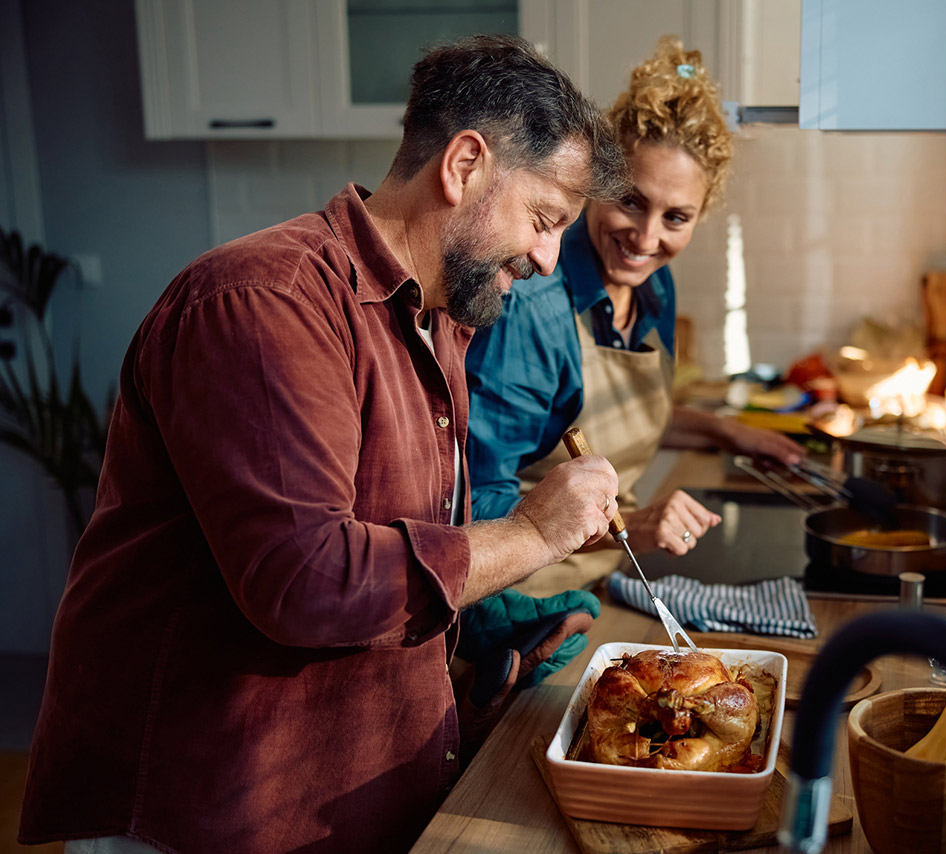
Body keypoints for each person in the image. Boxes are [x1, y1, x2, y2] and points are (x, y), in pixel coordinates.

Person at [19, 35, 629, 854]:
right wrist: (528, 535)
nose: (550, 256)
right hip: (207, 814)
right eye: (546, 219)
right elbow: (306, 581)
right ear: (465, 164)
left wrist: (477, 631)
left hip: (341, 799)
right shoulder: (262, 302)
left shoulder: (435, 319)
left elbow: (398, 544)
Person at [465, 36, 805, 595]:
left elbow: (594, 419)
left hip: (604, 572)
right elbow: (476, 499)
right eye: (630, 200)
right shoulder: (534, 307)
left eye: (675, 217)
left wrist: (723, 432)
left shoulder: (653, 287)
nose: (645, 239)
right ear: (599, 181)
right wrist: (633, 526)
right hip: (519, 597)